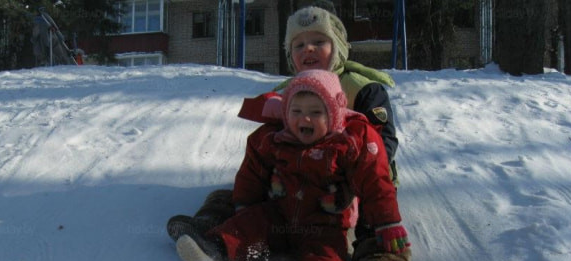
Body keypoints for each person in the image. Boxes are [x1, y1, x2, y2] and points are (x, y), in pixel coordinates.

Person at [175, 70, 425, 261]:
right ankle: (213, 251)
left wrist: (387, 223)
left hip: (324, 222)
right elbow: (252, 173)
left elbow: (375, 181)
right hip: (278, 215)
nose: (304, 119)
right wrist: (244, 206)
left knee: (327, 252)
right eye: (296, 112)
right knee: (249, 223)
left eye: (316, 112)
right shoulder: (273, 139)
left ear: (334, 114)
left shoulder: (347, 143)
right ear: (286, 113)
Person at [167, 5, 401, 247]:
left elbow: (381, 144)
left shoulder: (362, 88)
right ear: (290, 56)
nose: (308, 48)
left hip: (351, 185)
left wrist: (350, 185)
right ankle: (211, 228)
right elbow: (271, 141)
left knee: (374, 222)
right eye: (298, 45)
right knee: (237, 196)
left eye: (319, 41)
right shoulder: (289, 92)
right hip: (295, 184)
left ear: (338, 47)